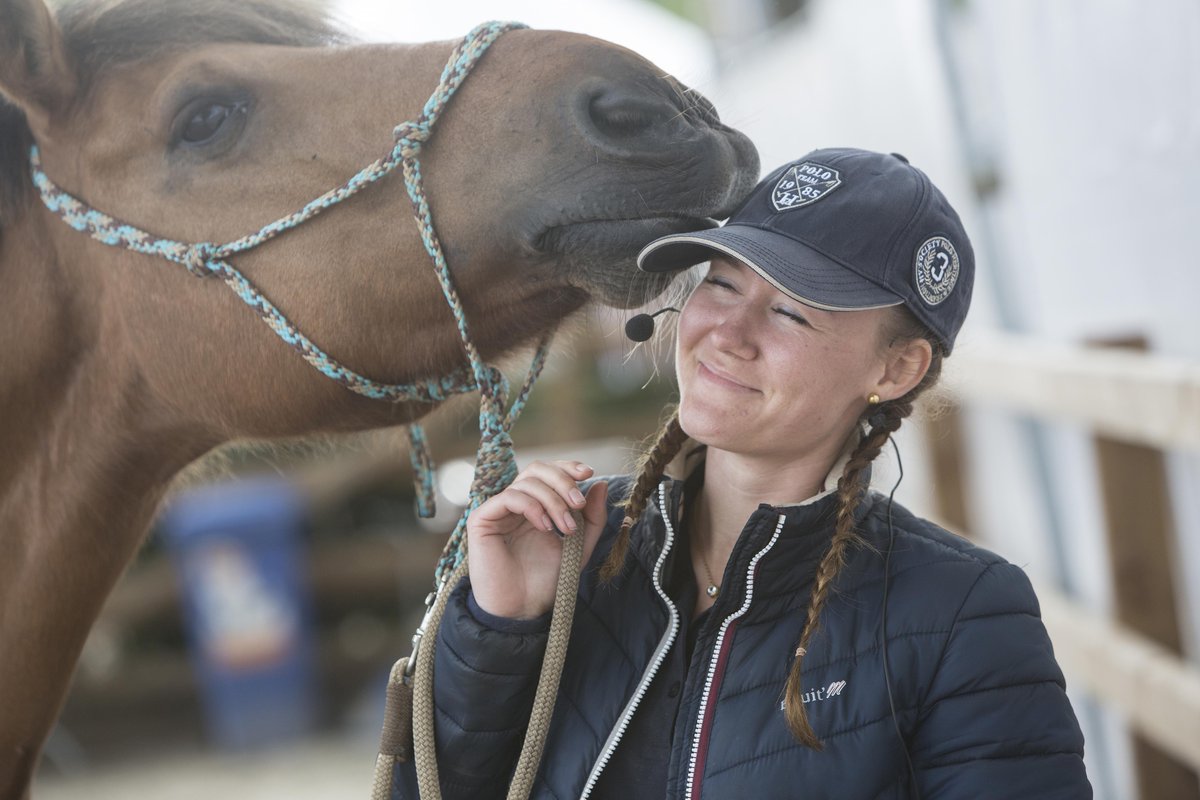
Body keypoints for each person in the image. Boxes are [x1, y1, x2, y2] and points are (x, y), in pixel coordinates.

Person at [403, 148, 1091, 799]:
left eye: (791, 312)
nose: (728, 334)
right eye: (722, 283)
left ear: (896, 368)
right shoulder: (571, 544)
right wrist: (501, 628)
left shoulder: (962, 614)